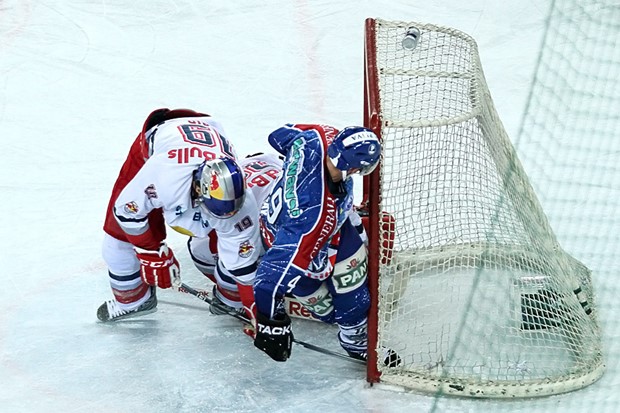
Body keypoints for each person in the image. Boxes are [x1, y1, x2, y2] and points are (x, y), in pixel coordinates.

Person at [98, 107, 280, 322]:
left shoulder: (241, 204)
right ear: (197, 190)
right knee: (117, 241)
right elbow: (127, 212)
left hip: (203, 144)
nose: (228, 215)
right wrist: (151, 252)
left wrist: (257, 315)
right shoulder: (163, 177)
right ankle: (132, 301)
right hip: (159, 146)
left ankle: (229, 302)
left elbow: (244, 266)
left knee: (236, 249)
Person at [250, 123, 400, 366]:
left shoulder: (318, 137)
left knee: (354, 300)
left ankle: (354, 340)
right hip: (297, 241)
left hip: (321, 231)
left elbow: (277, 134)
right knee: (328, 312)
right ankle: (342, 317)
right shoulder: (314, 217)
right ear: (352, 167)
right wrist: (271, 323)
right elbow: (270, 277)